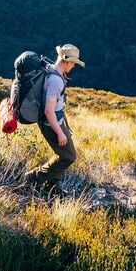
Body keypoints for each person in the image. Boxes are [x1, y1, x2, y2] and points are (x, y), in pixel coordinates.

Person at [24, 43, 84, 193]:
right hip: (51, 124)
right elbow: (49, 111)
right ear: (68, 62)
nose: (74, 67)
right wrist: (60, 132)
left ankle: (52, 186)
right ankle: (32, 178)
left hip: (56, 121)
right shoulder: (55, 81)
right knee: (69, 157)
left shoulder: (51, 69)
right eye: (74, 63)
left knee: (63, 154)